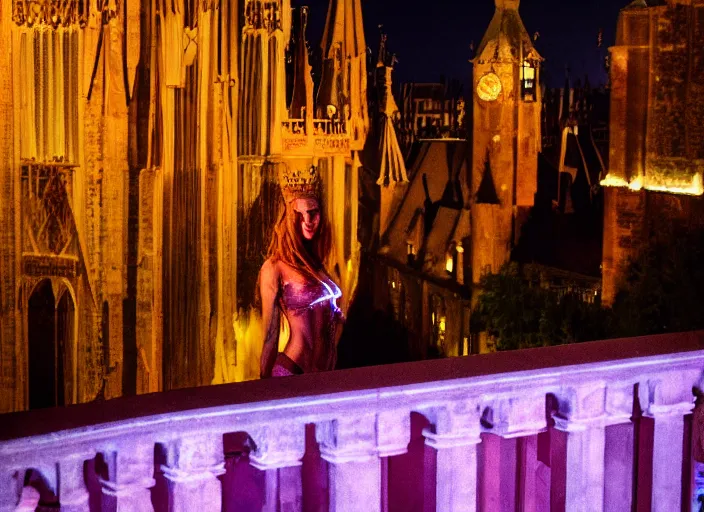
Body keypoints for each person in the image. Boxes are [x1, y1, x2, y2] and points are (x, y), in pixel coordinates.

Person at [259, 165, 344, 378]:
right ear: (289, 216)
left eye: (313, 212)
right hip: (291, 373)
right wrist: (262, 388)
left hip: (322, 377)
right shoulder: (274, 267)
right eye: (300, 213)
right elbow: (270, 334)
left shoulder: (317, 265)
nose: (307, 220)